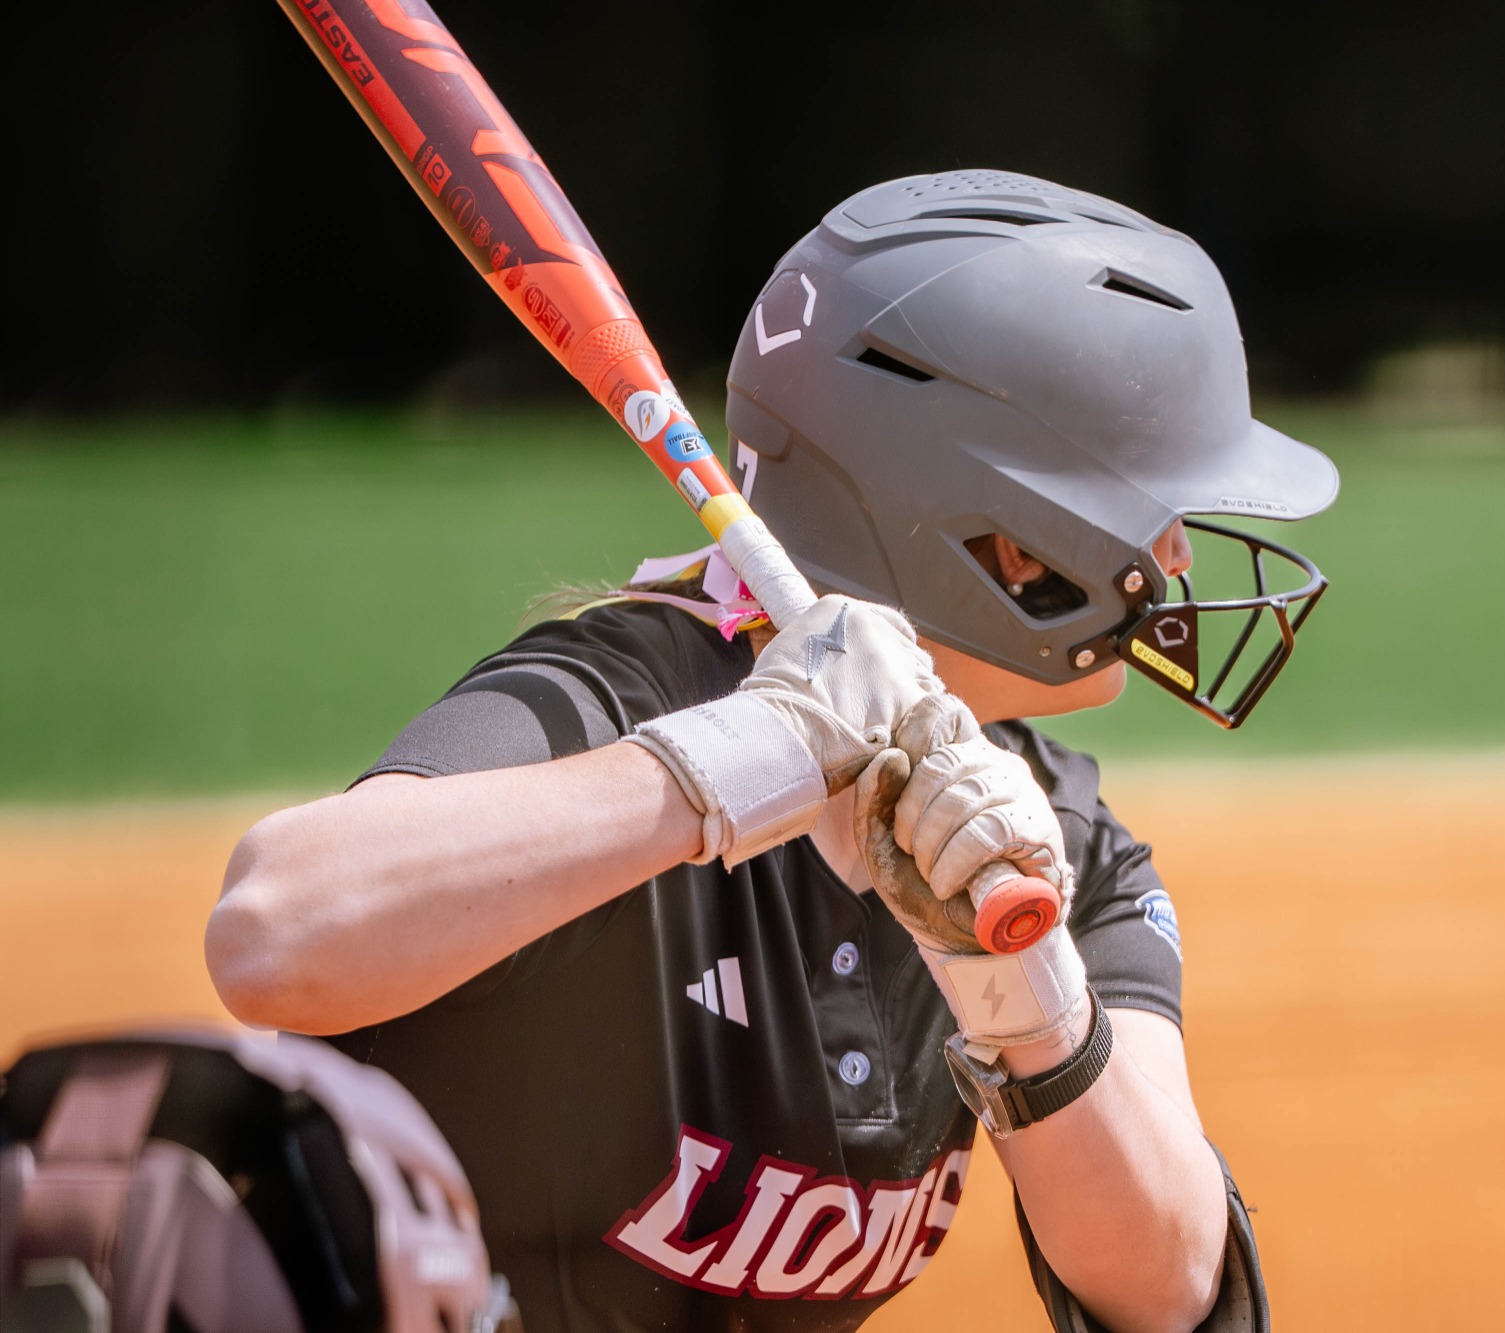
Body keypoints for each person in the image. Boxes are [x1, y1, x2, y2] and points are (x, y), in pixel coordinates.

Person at [205, 170, 1337, 1333]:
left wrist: (1028, 1001)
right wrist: (742, 759)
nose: (1184, 562)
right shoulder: (621, 695)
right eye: (1158, 510)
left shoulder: (1048, 844)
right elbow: (273, 931)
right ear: (1007, 540)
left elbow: (1172, 1289)